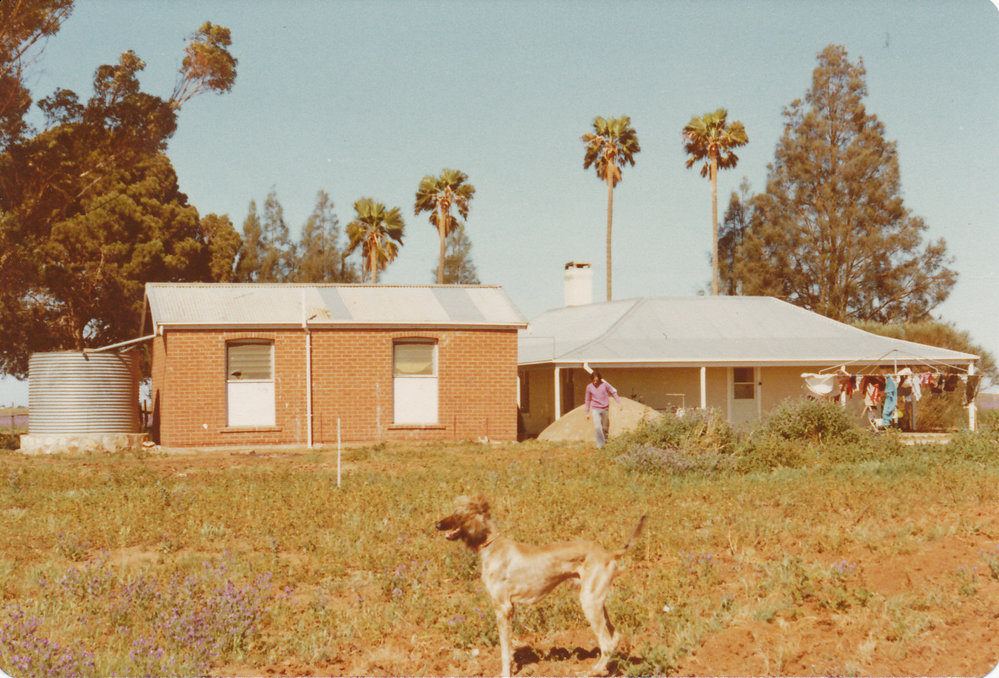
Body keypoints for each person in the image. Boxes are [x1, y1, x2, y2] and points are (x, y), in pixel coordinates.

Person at [585, 371, 621, 448]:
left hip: (605, 408)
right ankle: (601, 446)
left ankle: (605, 442)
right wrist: (587, 412)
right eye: (593, 380)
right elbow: (587, 400)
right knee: (597, 427)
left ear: (600, 380)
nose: (595, 382)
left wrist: (619, 402)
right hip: (595, 409)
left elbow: (613, 392)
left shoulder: (604, 385)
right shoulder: (589, 387)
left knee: (604, 427)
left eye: (597, 381)